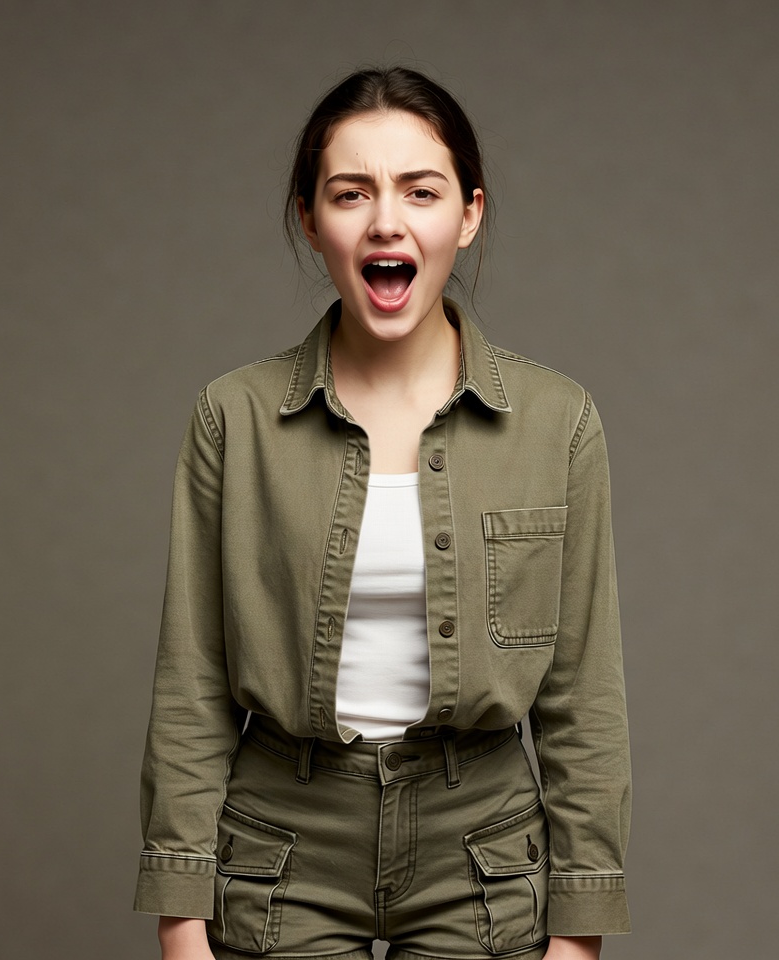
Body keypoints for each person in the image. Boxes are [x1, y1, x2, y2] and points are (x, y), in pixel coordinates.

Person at [135, 66, 631, 960]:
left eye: (420, 191)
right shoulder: (233, 418)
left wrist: (580, 931)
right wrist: (179, 919)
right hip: (278, 850)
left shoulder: (557, 422)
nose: (386, 222)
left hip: (484, 857)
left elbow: (581, 697)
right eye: (350, 193)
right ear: (309, 219)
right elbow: (193, 684)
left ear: (469, 216)